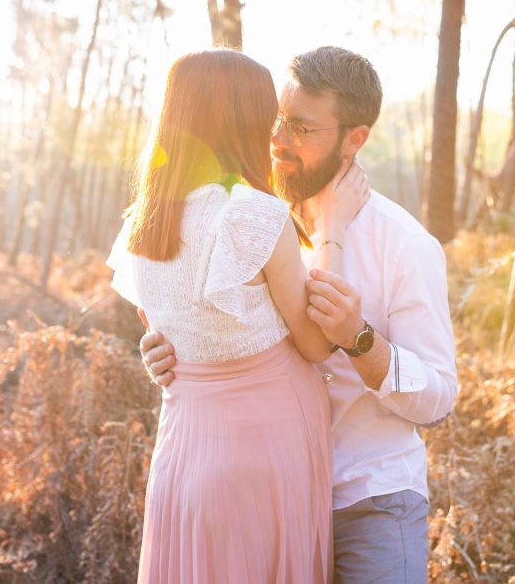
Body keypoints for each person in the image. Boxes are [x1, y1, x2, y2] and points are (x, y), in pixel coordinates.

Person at [140, 46, 458, 583]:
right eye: (278, 121)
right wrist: (165, 347)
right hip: (266, 495)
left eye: (303, 129)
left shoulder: (404, 244)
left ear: (354, 139)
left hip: (367, 496)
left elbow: (438, 397)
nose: (279, 141)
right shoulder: (245, 219)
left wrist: (361, 341)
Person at [106, 49, 370, 583]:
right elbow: (319, 343)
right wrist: (334, 228)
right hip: (266, 449)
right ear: (244, 119)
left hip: (181, 453)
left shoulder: (141, 225)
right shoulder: (252, 215)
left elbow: (164, 330)